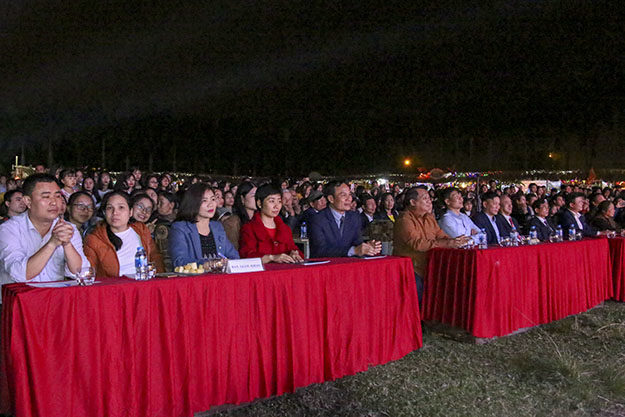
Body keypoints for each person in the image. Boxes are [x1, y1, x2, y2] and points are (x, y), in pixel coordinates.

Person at [0, 174, 89, 298]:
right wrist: (52, 243)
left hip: (54, 299)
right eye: (46, 196)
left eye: (58, 196)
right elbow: (20, 275)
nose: (54, 202)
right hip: (18, 302)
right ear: (28, 201)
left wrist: (67, 244)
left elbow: (81, 272)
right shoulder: (9, 229)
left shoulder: (68, 229)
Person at [393, 187, 469, 303]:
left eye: (429, 198)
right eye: (425, 198)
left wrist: (456, 241)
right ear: (413, 202)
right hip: (411, 268)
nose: (429, 201)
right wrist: (447, 243)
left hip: (430, 265)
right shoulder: (404, 219)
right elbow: (417, 244)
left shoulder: (429, 218)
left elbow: (441, 235)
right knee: (418, 298)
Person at [84, 191, 164, 277]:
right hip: (116, 284)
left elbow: (155, 256)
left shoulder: (141, 230)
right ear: (104, 213)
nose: (115, 212)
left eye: (121, 207)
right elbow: (89, 272)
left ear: (130, 212)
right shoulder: (94, 239)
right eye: (110, 208)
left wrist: (160, 279)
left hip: (144, 282)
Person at [168, 184, 239, 267]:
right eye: (204, 201)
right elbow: (179, 261)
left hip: (219, 275)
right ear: (193, 203)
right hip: (196, 275)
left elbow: (234, 257)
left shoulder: (217, 227)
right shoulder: (180, 228)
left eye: (213, 199)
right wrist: (208, 264)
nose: (211, 204)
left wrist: (228, 262)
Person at [309, 181, 381, 258]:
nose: (349, 199)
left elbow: (357, 243)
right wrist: (353, 251)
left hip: (350, 263)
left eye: (349, 194)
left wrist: (368, 247)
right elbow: (320, 251)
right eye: (343, 195)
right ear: (331, 199)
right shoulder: (317, 219)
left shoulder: (354, 217)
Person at [239, 184, 304, 263]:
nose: (276, 206)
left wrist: (294, 254)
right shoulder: (249, 228)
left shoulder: (285, 228)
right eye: (272, 201)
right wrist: (271, 258)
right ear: (259, 203)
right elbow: (246, 256)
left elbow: (293, 248)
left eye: (279, 201)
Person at [222, 182, 257, 250]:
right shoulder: (233, 222)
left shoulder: (259, 219)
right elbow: (232, 249)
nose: (257, 199)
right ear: (242, 198)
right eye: (253, 196)